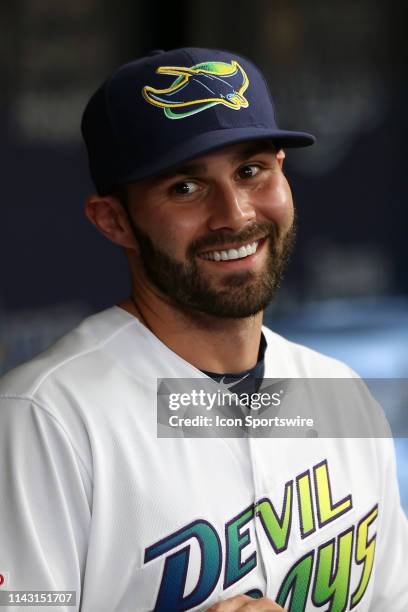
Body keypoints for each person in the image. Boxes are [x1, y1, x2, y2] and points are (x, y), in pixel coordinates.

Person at [0, 47, 407, 612]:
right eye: (185, 188)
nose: (235, 214)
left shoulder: (340, 395)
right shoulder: (46, 418)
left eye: (250, 170)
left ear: (283, 176)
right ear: (113, 219)